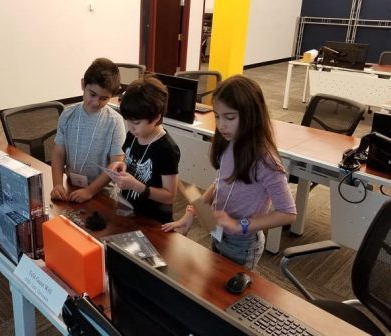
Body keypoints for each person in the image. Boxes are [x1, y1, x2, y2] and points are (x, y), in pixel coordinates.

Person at [161, 75, 296, 269]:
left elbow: (288, 214)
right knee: (213, 283)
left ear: (251, 115)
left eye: (229, 117)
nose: (221, 125)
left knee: (233, 294)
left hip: (243, 243)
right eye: (217, 116)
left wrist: (238, 225)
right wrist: (192, 212)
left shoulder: (265, 161)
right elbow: (220, 183)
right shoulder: (229, 143)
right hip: (218, 232)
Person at [50, 58, 126, 203]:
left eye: (104, 98)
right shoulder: (67, 115)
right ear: (83, 84)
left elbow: (115, 164)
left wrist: (90, 191)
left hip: (103, 194)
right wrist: (57, 184)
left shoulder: (115, 122)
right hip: (71, 187)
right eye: (92, 94)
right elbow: (59, 153)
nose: (96, 102)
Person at [108, 74, 180, 223]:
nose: (130, 127)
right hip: (129, 209)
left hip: (153, 219)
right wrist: (121, 166)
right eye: (127, 120)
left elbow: (170, 196)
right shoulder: (133, 134)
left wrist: (137, 186)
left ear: (155, 118)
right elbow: (131, 160)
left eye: (136, 122)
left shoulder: (166, 150)